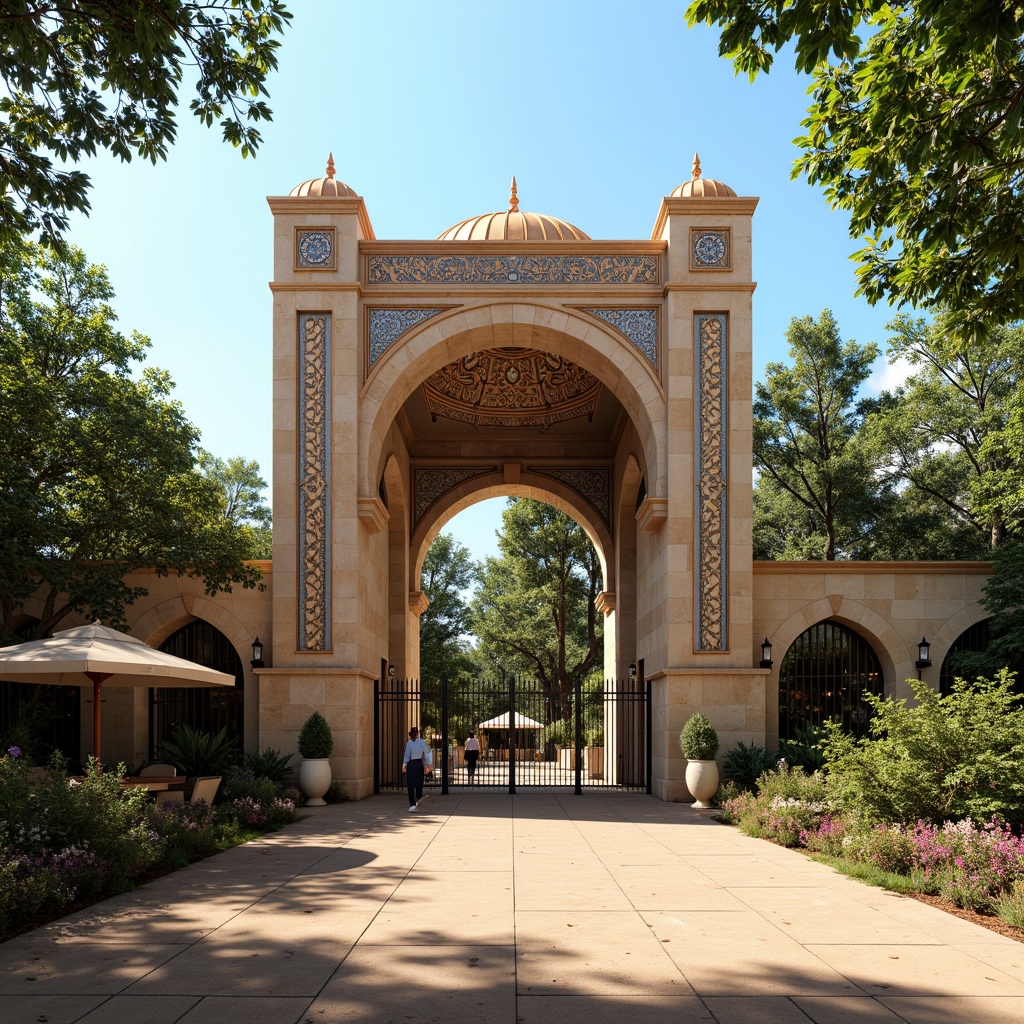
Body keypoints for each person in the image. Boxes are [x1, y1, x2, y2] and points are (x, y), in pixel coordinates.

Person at [402, 726, 430, 811]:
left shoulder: (411, 743)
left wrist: (404, 765)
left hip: (413, 763)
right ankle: (416, 799)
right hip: (417, 763)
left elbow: (407, 755)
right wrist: (426, 765)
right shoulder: (420, 742)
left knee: (414, 783)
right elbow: (425, 754)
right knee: (416, 782)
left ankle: (414, 801)